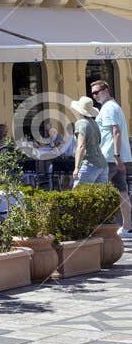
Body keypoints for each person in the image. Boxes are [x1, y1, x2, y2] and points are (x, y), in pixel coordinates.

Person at [89, 76, 132, 230]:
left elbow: (116, 132)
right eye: (92, 94)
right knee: (122, 191)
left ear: (106, 90)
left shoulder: (108, 108)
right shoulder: (113, 106)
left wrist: (116, 156)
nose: (94, 96)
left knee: (97, 191)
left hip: (109, 157)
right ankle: (127, 227)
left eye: (96, 92)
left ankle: (102, 228)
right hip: (115, 156)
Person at [71, 95, 109, 186]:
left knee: (78, 196)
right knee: (99, 197)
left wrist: (76, 168)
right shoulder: (94, 123)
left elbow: (81, 146)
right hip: (102, 165)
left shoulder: (80, 123)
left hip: (89, 164)